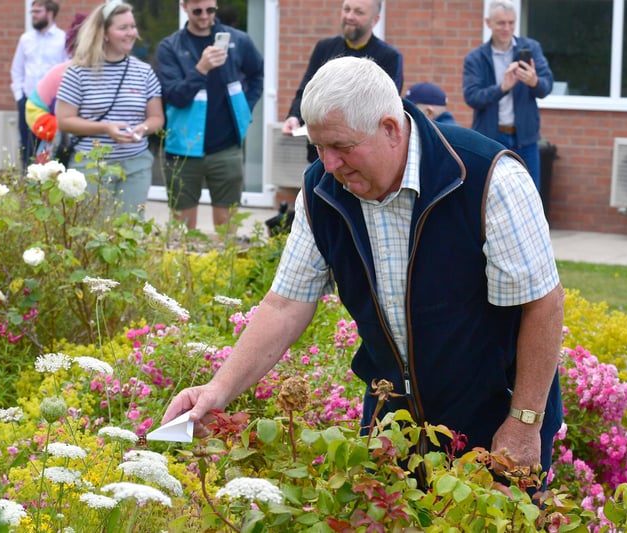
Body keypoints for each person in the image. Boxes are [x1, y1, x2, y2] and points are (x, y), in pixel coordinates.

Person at [163, 56, 564, 482]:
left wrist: (524, 423)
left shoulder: (486, 177)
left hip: (494, 417)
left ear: (391, 128)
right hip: (392, 422)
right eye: (318, 147)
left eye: (341, 146)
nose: (329, 163)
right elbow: (284, 304)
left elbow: (541, 304)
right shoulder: (321, 190)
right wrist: (217, 390)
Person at [156, 0, 264, 232]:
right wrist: (201, 69)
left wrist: (246, 106)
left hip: (226, 147)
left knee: (227, 230)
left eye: (210, 10)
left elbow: (257, 75)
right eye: (197, 11)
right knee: (182, 231)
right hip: (183, 148)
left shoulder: (238, 40)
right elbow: (175, 96)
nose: (205, 16)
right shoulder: (170, 47)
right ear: (184, 6)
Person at [55, 1, 163, 215]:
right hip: (92, 165)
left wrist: (142, 128)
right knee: (94, 233)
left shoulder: (144, 72)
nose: (131, 33)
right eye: (123, 28)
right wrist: (105, 128)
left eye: (132, 26)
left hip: (136, 165)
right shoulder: (78, 72)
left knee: (131, 231)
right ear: (104, 33)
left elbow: (157, 117)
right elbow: (64, 120)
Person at [281, 0, 403, 163]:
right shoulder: (324, 47)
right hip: (320, 155)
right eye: (346, 9)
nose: (349, 16)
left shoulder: (389, 57)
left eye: (358, 12)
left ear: (375, 20)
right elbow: (308, 89)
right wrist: (294, 116)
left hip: (359, 157)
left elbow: (385, 108)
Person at [462, 0, 553, 193]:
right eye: (501, 23)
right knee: (489, 195)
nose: (507, 28)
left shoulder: (530, 49)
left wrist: (533, 81)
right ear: (488, 23)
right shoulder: (475, 58)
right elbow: (472, 97)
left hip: (525, 139)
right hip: (491, 139)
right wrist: (502, 88)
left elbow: (546, 87)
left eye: (511, 23)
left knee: (529, 196)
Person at [10, 0, 68, 171]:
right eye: (32, 12)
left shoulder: (62, 39)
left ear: (50, 13)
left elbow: (66, 70)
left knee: (48, 144)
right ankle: (27, 181)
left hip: (50, 107)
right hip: (27, 101)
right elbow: (17, 69)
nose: (33, 15)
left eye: (37, 11)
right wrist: (19, 96)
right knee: (26, 144)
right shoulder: (25, 39)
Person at [25, 12, 87, 164]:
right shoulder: (60, 73)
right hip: (59, 155)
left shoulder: (124, 75)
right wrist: (61, 131)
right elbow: (33, 108)